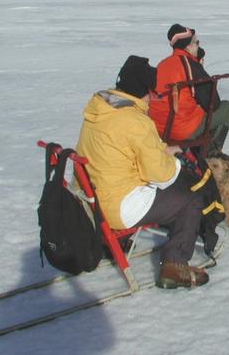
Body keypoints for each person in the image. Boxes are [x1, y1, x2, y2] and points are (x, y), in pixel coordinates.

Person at [76, 55, 209, 288]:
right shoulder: (135, 120)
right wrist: (176, 161)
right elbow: (162, 175)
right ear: (144, 90)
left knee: (157, 185)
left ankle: (113, 243)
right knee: (191, 197)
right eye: (153, 92)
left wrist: (161, 150)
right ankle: (174, 265)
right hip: (119, 206)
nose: (154, 97)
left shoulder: (100, 109)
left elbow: (122, 150)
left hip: (94, 200)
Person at [149, 24, 229, 154]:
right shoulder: (190, 66)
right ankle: (211, 155)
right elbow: (213, 103)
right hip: (181, 130)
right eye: (196, 42)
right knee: (227, 108)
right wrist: (200, 68)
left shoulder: (162, 64)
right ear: (188, 46)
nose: (199, 45)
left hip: (158, 128)